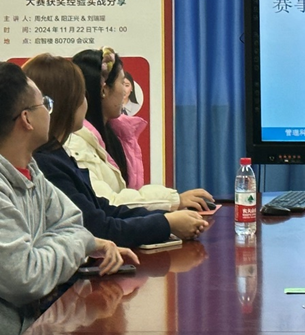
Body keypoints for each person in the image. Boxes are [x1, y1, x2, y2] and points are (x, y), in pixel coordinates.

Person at [0, 61, 138, 335]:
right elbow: (26, 277)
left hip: (36, 334)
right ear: (26, 119)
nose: (50, 110)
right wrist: (80, 243)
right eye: (45, 104)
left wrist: (86, 241)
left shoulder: (32, 171)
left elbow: (74, 223)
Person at [23, 54, 209, 248]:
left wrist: (166, 218)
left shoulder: (60, 155)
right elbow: (98, 227)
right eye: (81, 95)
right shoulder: (48, 163)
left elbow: (104, 208)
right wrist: (166, 221)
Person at [64, 47, 213, 212]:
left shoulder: (115, 135)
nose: (126, 91)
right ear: (104, 90)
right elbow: (109, 203)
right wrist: (174, 200)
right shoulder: (75, 145)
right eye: (122, 83)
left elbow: (127, 195)